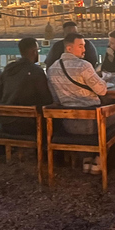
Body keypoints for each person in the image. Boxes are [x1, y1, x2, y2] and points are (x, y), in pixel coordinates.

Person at [46, 33, 109, 174]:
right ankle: (99, 159)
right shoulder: (84, 66)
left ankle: (86, 159)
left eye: (84, 46)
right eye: (80, 46)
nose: (84, 50)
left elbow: (55, 98)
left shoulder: (51, 69)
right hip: (93, 123)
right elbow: (102, 90)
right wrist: (104, 80)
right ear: (69, 48)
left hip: (68, 124)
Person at [0, 38, 54, 134]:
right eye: (38, 50)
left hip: (6, 122)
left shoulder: (8, 69)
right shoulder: (36, 71)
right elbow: (46, 99)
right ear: (34, 52)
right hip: (28, 124)